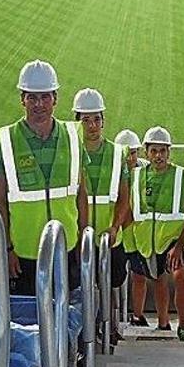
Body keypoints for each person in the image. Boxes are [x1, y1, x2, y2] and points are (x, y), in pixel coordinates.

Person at [0, 60, 88, 296]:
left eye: (45, 97)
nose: (38, 104)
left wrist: (84, 242)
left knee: (66, 317)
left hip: (67, 249)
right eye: (32, 97)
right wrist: (7, 249)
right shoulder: (4, 141)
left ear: (55, 98)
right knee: (27, 322)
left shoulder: (74, 136)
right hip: (23, 255)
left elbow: (81, 194)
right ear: (22, 99)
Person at [129, 126, 184, 342]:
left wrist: (179, 246)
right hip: (147, 241)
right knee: (158, 280)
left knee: (180, 276)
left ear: (169, 152)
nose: (158, 156)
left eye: (162, 151)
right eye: (154, 151)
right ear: (146, 152)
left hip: (173, 241)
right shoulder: (136, 176)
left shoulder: (182, 175)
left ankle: (183, 325)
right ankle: (163, 322)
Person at [73, 88, 130, 342]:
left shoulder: (117, 153)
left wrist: (116, 227)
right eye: (86, 120)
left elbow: (124, 196)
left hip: (108, 235)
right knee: (82, 286)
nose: (92, 125)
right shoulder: (71, 151)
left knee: (110, 283)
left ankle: (109, 326)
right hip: (78, 236)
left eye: (96, 119)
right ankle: (88, 331)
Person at [115, 128, 151, 327]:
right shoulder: (114, 170)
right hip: (120, 233)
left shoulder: (145, 170)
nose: (130, 157)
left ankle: (138, 315)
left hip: (138, 233)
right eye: (127, 153)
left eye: (134, 152)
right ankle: (114, 318)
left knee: (139, 275)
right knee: (116, 278)